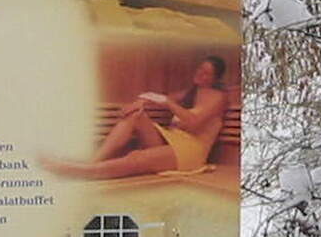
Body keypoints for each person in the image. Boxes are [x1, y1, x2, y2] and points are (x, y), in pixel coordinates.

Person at [49, 56, 229, 181]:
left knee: (137, 157)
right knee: (135, 115)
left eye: (207, 73)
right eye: (200, 69)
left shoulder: (219, 98)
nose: (200, 74)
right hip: (173, 141)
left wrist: (168, 103)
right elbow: (156, 97)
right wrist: (139, 102)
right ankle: (94, 161)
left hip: (191, 152)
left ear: (216, 78)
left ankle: (86, 172)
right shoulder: (191, 92)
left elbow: (193, 122)